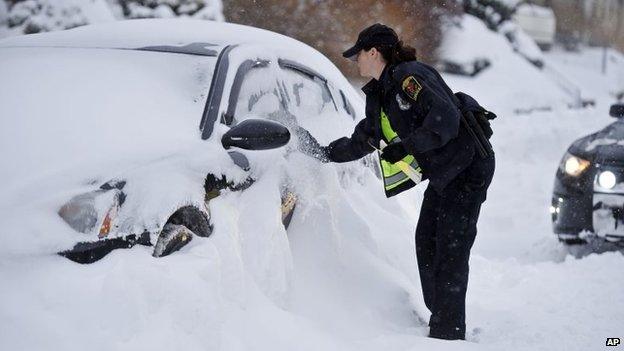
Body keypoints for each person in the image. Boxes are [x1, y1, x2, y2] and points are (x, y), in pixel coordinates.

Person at [316, 23, 496, 340]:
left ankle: (448, 332)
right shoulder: (380, 95)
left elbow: (445, 119)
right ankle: (441, 314)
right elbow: (364, 140)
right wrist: (322, 153)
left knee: (451, 249)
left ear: (374, 52)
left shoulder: (409, 77)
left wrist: (408, 146)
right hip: (445, 173)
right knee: (426, 242)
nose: (355, 61)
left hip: (468, 167)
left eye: (358, 54)